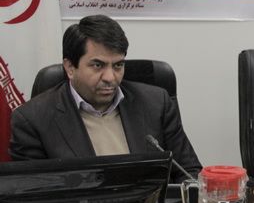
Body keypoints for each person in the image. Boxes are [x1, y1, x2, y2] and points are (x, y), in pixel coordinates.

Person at [10, 15, 201, 180]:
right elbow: (33, 197)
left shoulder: (156, 103)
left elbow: (189, 173)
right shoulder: (33, 120)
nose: (110, 77)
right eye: (98, 65)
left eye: (118, 65)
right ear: (70, 67)